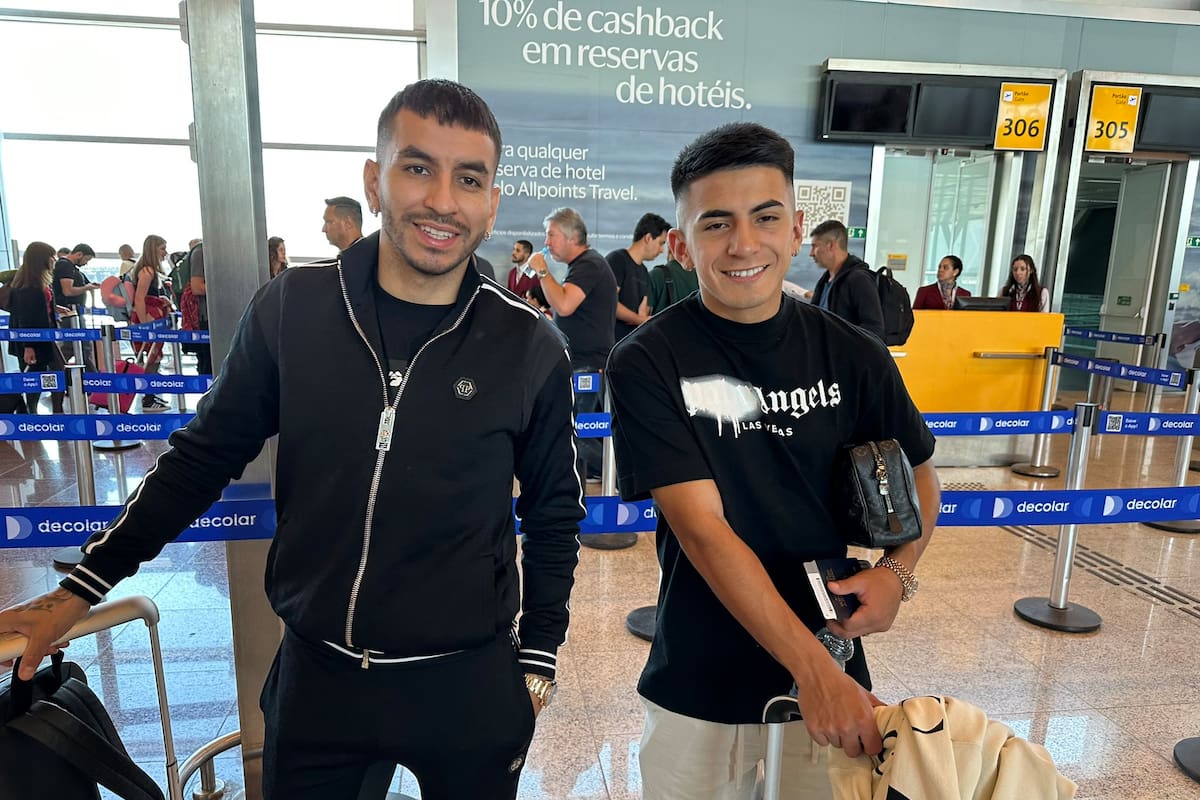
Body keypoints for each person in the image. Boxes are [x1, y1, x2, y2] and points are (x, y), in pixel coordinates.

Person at [0, 79, 584, 800]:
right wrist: (83, 586)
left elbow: (556, 512)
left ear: (491, 203)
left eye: (469, 178)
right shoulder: (295, 310)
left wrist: (536, 662)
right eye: (417, 167)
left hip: (466, 680)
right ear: (375, 181)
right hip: (320, 677)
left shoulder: (525, 345)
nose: (442, 199)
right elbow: (201, 458)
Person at [606, 122, 941, 798]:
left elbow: (922, 474)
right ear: (681, 243)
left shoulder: (854, 354)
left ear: (796, 233)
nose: (743, 244)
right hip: (700, 670)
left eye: (766, 218)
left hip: (838, 651)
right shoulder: (647, 361)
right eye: (716, 224)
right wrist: (813, 672)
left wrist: (899, 574)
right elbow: (702, 530)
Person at [527, 207, 617, 482]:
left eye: (551, 235)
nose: (546, 242)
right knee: (579, 426)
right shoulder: (584, 266)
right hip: (583, 361)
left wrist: (542, 272)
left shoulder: (589, 264)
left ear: (570, 237)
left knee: (582, 428)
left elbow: (565, 305)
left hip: (588, 364)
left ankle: (610, 479)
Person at [6, 241, 66, 413]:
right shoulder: (29, 286)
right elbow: (26, 317)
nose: (54, 260)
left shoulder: (38, 282)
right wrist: (28, 346)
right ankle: (33, 411)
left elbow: (40, 308)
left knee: (50, 372)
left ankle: (49, 409)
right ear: (41, 259)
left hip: (44, 336)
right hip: (35, 338)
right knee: (40, 374)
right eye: (51, 257)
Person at [809, 220, 885, 342]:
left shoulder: (859, 280)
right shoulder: (824, 281)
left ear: (831, 245)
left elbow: (875, 329)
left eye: (815, 246)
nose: (811, 253)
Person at [608, 212, 670, 341]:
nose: (662, 250)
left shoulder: (644, 271)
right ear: (648, 238)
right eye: (661, 243)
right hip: (610, 344)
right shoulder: (617, 260)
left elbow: (642, 311)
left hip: (628, 343)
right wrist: (639, 319)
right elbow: (609, 302)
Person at [130, 235, 174, 412]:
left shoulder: (148, 270)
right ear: (153, 249)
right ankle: (148, 399)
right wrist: (144, 324)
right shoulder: (147, 271)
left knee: (154, 357)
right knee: (151, 358)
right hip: (147, 319)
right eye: (162, 248)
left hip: (151, 316)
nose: (165, 252)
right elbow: (139, 298)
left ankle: (151, 395)